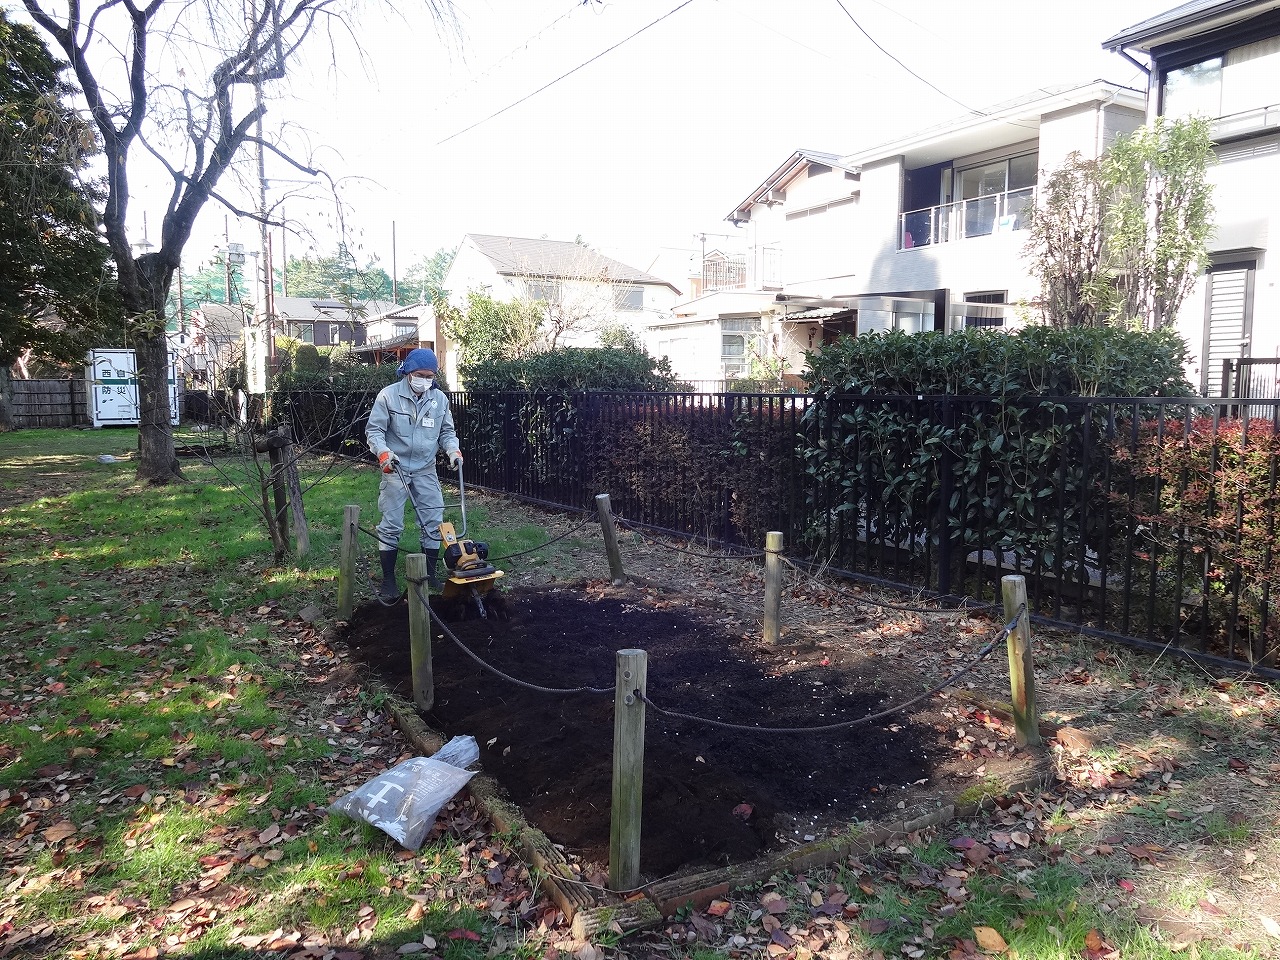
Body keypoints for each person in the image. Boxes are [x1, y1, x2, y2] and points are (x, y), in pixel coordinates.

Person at [365, 348, 463, 603]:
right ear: (408, 373)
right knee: (392, 524)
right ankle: (388, 580)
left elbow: (446, 431)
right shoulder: (388, 397)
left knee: (434, 520)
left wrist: (453, 449)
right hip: (395, 467)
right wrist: (384, 453)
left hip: (425, 468)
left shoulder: (439, 399)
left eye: (430, 376)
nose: (425, 380)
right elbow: (374, 431)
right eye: (421, 375)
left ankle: (429, 575)